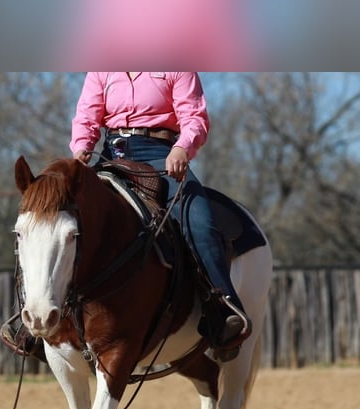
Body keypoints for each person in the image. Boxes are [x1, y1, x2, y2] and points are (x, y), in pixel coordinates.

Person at [70, 72, 250, 359]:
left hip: (161, 155)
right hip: (110, 154)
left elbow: (195, 117)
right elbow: (87, 115)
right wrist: (81, 147)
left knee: (199, 222)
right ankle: (42, 319)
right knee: (62, 217)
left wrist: (182, 148)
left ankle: (222, 306)